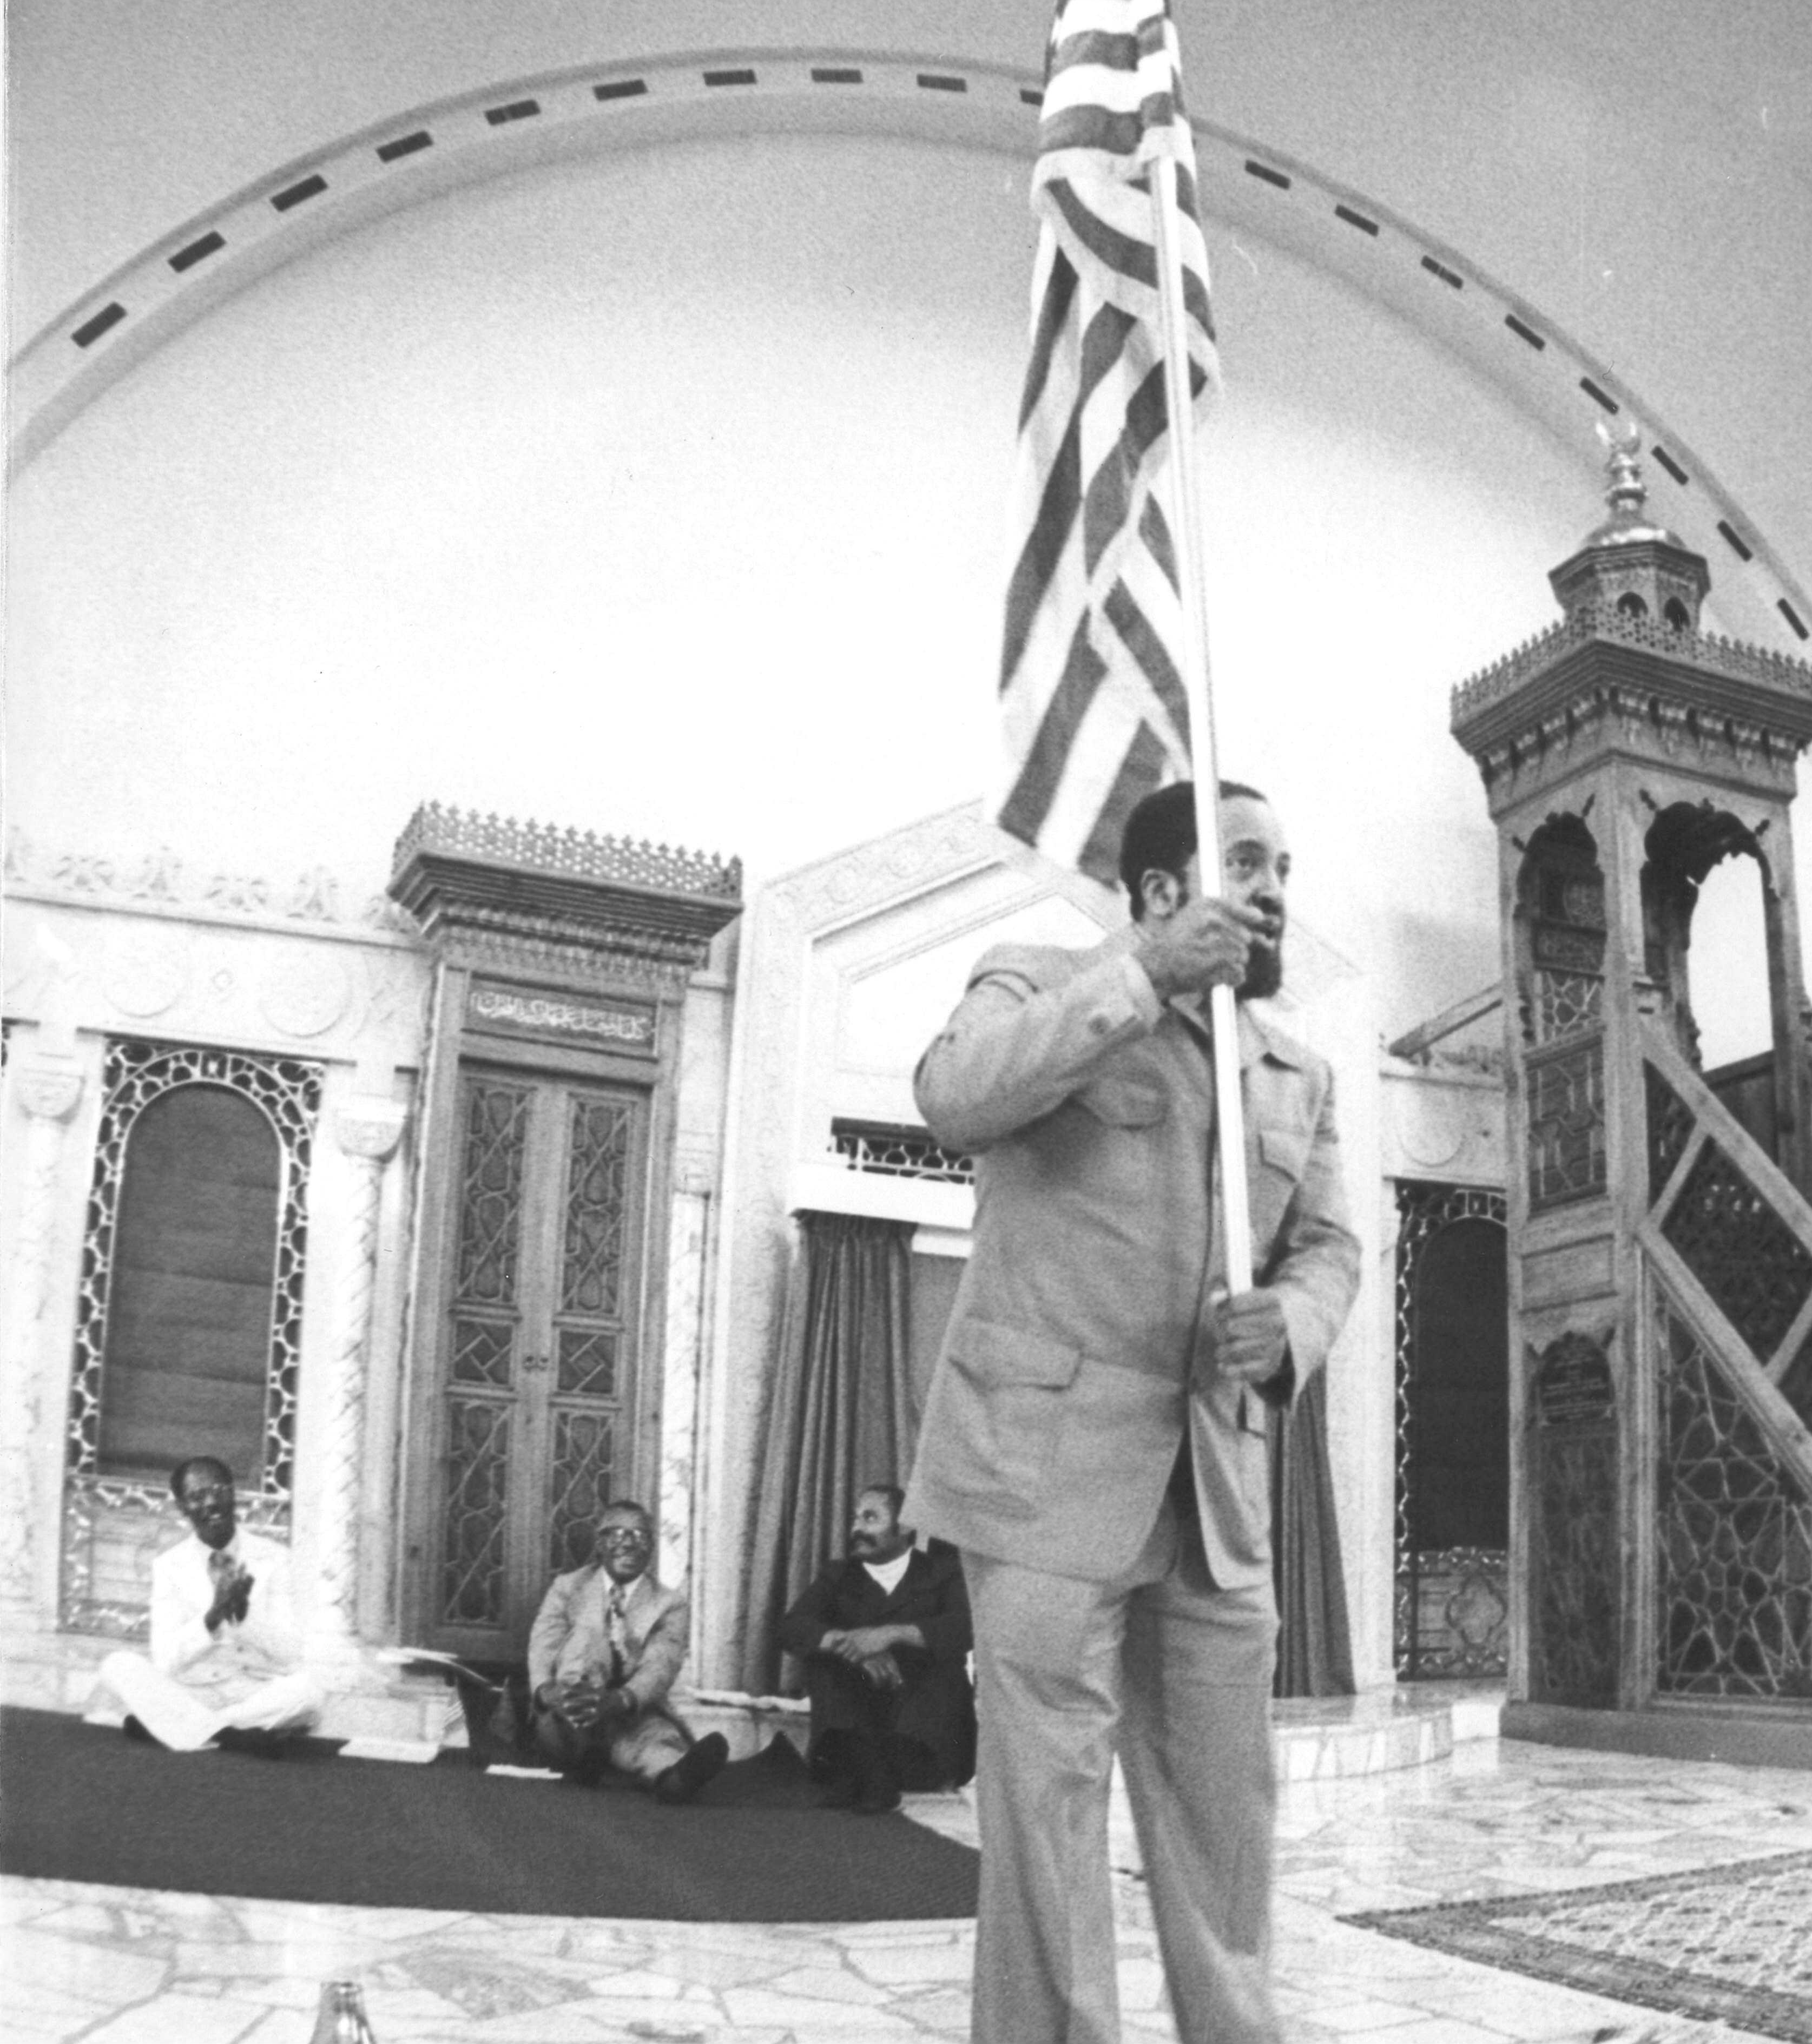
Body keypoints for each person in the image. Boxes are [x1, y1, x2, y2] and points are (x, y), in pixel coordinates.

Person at [908, 777, 1360, 2044]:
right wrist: (1145, 975)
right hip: (1042, 1481)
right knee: (1046, 1826)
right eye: (1250, 862)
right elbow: (954, 1096)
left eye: (1284, 865)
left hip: (1218, 1490)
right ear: (1164, 887)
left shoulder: (1295, 1072)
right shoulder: (1037, 983)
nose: (1275, 888)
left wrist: (1296, 1325)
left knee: (1227, 1828)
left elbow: (1328, 1244)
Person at [93, 1455, 327, 1753]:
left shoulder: (275, 1557)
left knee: (310, 1693)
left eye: (219, 1491)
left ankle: (182, 1728)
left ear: (233, 1494)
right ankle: (234, 1736)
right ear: (182, 1507)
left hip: (252, 1688)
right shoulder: (169, 1565)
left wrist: (244, 1618)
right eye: (197, 1496)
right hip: (193, 1689)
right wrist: (214, 1615)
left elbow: (290, 1653)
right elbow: (165, 1659)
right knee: (117, 1665)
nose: (211, 1503)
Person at [777, 1481, 975, 1813]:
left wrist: (892, 1634)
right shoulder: (839, 1575)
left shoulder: (943, 1573)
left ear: (905, 1527)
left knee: (943, 1669)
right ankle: (867, 1771)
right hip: (862, 1721)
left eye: (870, 1519)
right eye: (856, 1519)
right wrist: (853, 1646)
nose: (857, 1528)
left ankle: (866, 1774)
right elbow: (791, 1627)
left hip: (920, 1735)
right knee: (824, 1661)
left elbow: (966, 1628)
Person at [525, 1499, 728, 1802]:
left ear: (651, 1549)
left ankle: (672, 1778)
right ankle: (585, 1745)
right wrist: (546, 1692)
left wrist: (619, 1700)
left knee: (655, 1741)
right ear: (600, 1544)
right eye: (618, 1534)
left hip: (627, 1709)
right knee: (589, 1638)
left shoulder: (669, 1604)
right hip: (565, 1709)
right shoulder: (568, 1588)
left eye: (641, 1536)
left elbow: (661, 1666)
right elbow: (544, 1644)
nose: (630, 1545)